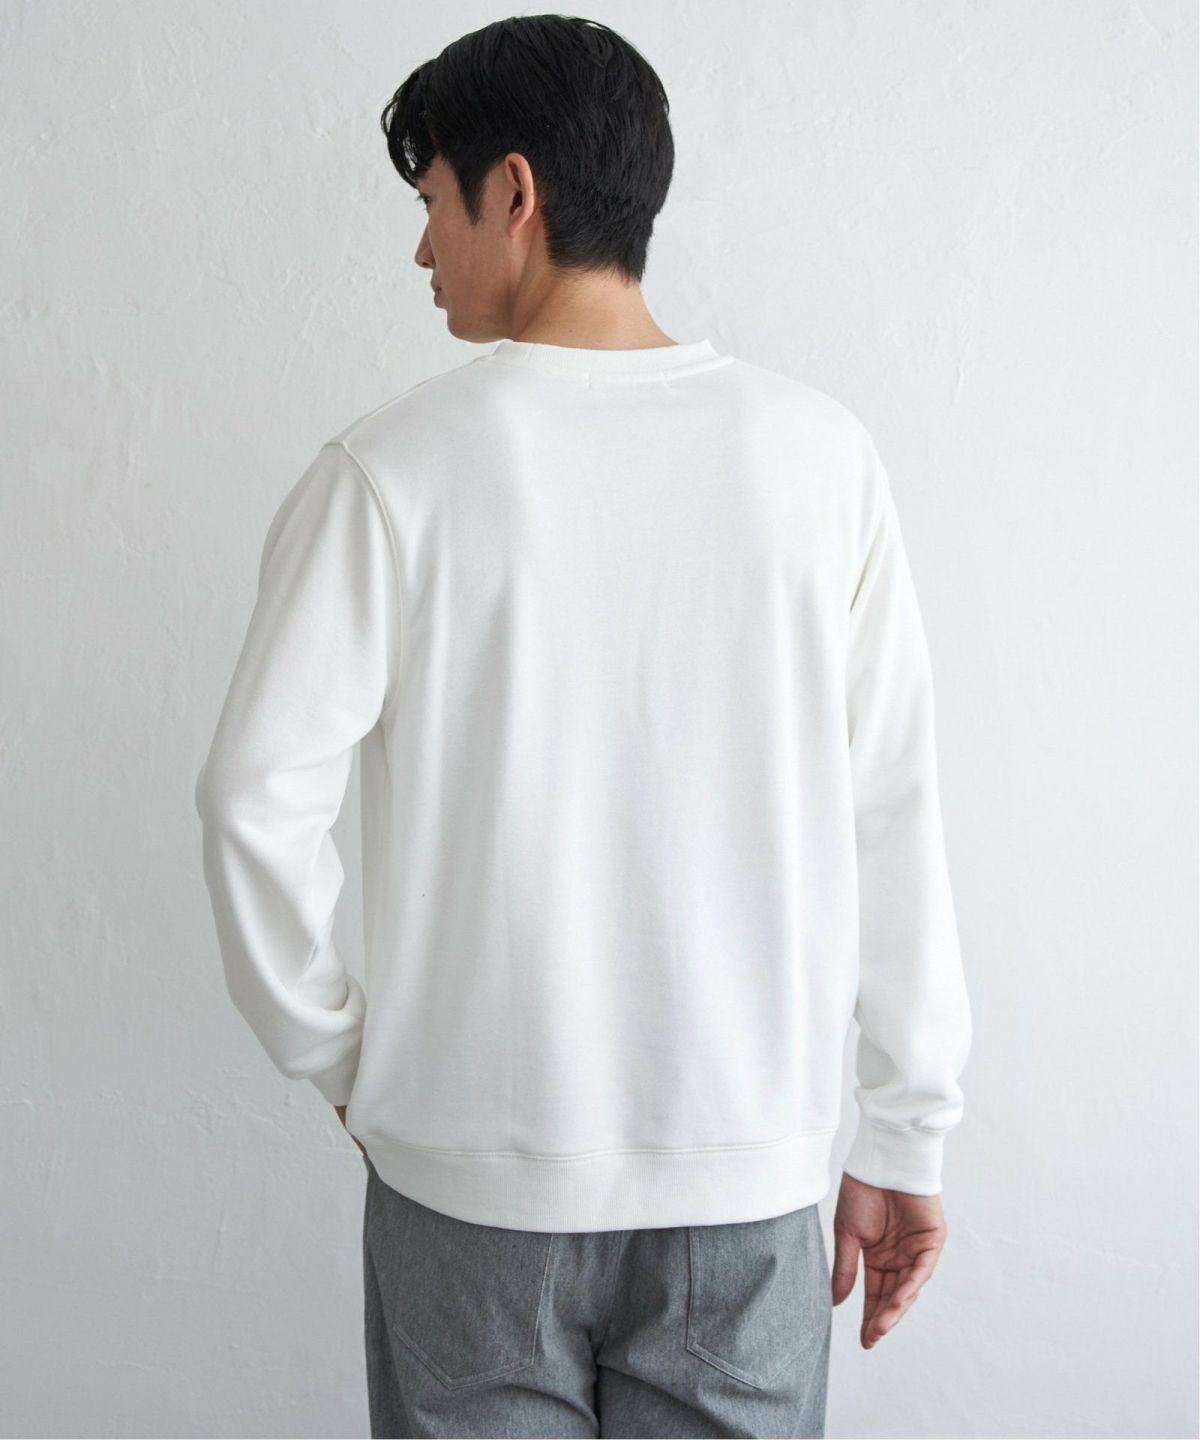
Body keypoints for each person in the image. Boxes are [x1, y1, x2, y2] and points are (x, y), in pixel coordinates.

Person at [193, 15, 973, 1439]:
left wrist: (349, 1062)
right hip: (744, 1185)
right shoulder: (819, 460)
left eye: (431, 199)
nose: (420, 249)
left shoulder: (391, 473)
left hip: (467, 1193)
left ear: (514, 192)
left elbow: (254, 795)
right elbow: (895, 808)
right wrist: (906, 1127)